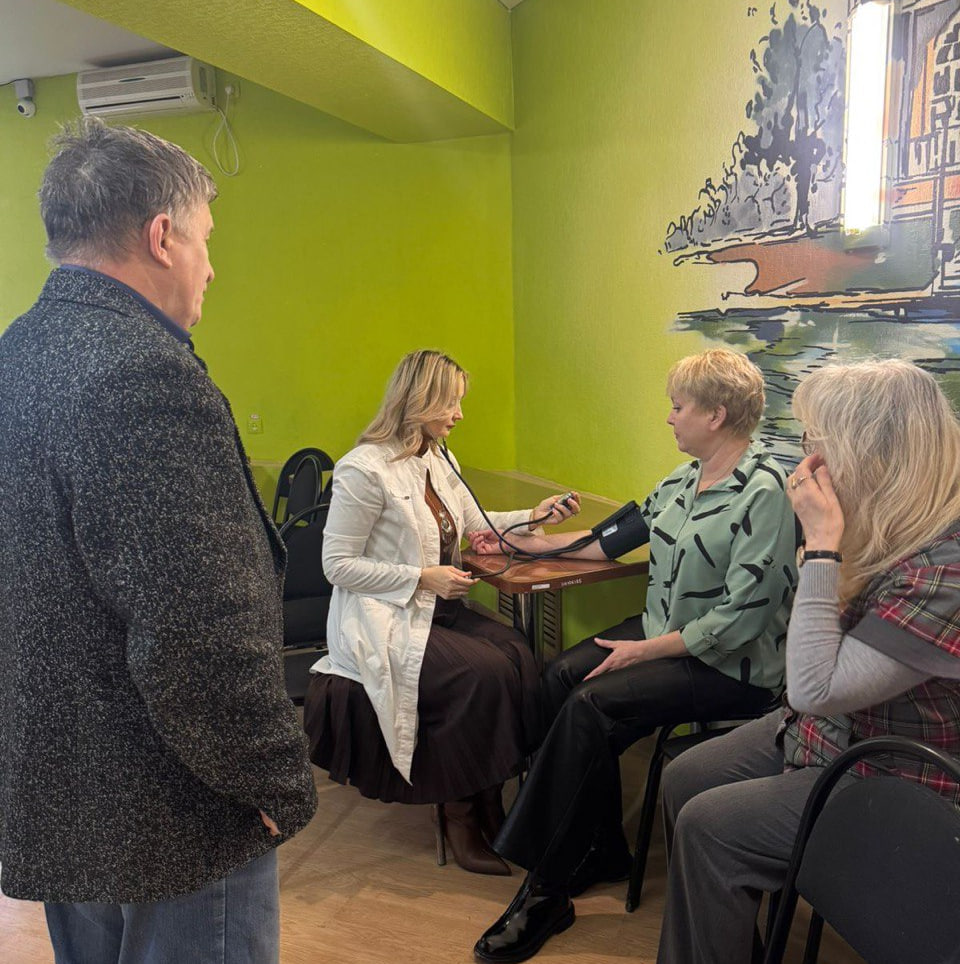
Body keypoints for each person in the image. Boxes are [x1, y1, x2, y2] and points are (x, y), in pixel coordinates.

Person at [0, 119, 317, 964]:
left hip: (65, 795)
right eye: (206, 241)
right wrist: (274, 780)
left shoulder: (16, 355)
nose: (210, 267)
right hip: (175, 812)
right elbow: (197, 627)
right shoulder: (143, 374)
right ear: (162, 236)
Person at [472, 348, 797, 963]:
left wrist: (644, 651)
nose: (669, 417)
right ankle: (598, 849)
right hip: (662, 633)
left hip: (730, 665)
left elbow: (742, 618)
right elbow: (609, 542)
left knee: (592, 706)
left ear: (716, 415)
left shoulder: (765, 493)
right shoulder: (682, 479)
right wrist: (525, 543)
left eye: (678, 407)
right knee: (557, 677)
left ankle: (547, 888)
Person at [655, 359, 960, 964]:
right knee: (683, 777)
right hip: (835, 728)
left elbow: (814, 687)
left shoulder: (944, 570)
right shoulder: (883, 524)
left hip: (894, 770)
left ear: (871, 453)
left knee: (709, 824)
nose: (807, 459)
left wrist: (819, 547)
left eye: (818, 441)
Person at [303, 349, 577, 875]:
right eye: (451, 403)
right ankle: (460, 815)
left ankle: (492, 802)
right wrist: (420, 577)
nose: (459, 414)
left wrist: (534, 514)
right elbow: (337, 565)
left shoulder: (438, 458)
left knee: (517, 653)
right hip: (382, 614)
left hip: (433, 607)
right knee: (482, 671)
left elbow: (477, 523)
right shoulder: (364, 469)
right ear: (420, 400)